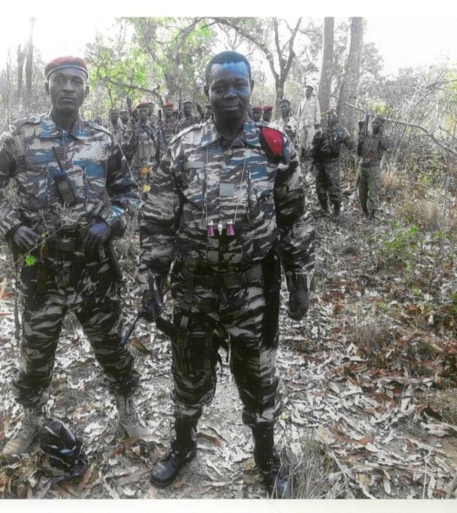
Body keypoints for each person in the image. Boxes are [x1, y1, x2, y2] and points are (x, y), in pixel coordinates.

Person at [138, 50, 315, 498]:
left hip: (252, 288)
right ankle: (182, 446)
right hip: (194, 289)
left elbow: (294, 218)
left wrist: (300, 281)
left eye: (239, 85)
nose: (230, 94)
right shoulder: (183, 148)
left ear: (251, 89)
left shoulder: (274, 146)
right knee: (188, 375)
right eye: (221, 86)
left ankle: (266, 457)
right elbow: (158, 220)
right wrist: (151, 282)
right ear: (208, 92)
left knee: (258, 377)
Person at [0, 56, 149, 461]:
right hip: (42, 267)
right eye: (60, 81)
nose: (68, 87)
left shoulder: (103, 141)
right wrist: (13, 227)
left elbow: (129, 193)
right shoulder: (22, 136)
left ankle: (127, 411)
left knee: (111, 346)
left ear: (86, 89)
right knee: (35, 351)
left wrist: (109, 222)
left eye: (76, 81)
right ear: (48, 86)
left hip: (94, 267)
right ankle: (32, 419)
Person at [311, 108, 355, 218]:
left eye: (332, 116)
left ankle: (336, 211)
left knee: (333, 186)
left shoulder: (340, 130)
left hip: (332, 161)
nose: (330, 118)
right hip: (320, 162)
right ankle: (324, 209)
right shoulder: (321, 130)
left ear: (336, 117)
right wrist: (315, 139)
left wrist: (352, 140)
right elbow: (314, 145)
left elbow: (350, 145)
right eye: (328, 116)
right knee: (319, 187)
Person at [357, 115, 392, 220]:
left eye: (376, 123)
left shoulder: (383, 138)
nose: (373, 125)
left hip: (374, 169)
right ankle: (365, 211)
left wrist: (381, 134)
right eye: (372, 123)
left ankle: (372, 215)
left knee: (373, 192)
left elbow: (387, 146)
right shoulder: (367, 137)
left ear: (381, 125)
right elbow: (359, 153)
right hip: (362, 167)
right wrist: (360, 141)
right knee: (361, 192)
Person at [129, 101, 162, 192]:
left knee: (149, 188)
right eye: (140, 111)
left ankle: (146, 203)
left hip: (151, 164)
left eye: (144, 111)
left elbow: (157, 144)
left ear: (148, 112)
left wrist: (157, 161)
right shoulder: (134, 128)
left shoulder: (152, 127)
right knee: (138, 189)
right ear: (138, 113)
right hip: (138, 165)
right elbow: (128, 147)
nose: (142, 113)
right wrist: (133, 136)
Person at [296, 84, 320, 160]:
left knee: (311, 141)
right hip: (302, 124)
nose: (307, 92)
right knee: (301, 141)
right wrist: (297, 124)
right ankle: (301, 157)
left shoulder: (315, 100)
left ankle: (309, 157)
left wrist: (318, 122)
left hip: (311, 124)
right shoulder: (302, 102)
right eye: (306, 90)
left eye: (309, 91)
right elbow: (298, 114)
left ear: (311, 92)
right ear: (304, 92)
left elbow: (318, 111)